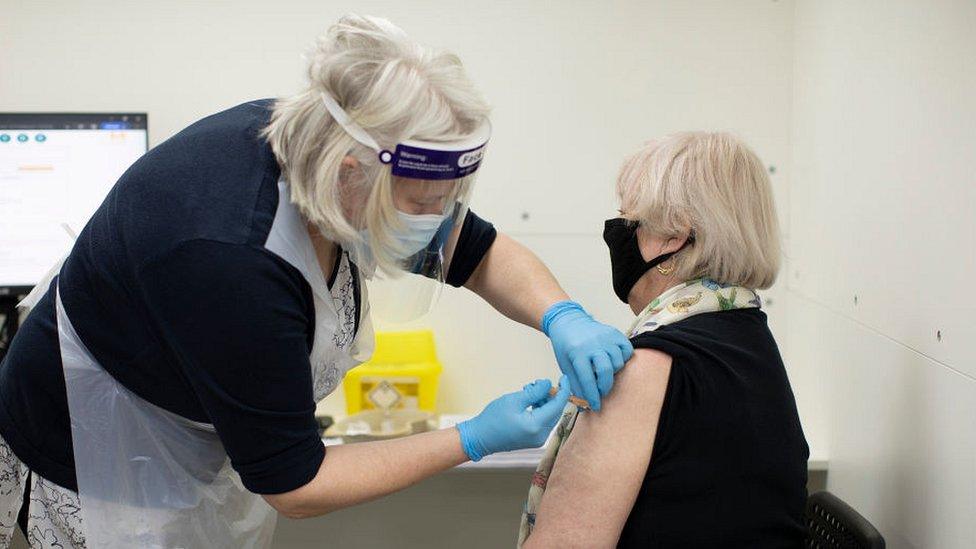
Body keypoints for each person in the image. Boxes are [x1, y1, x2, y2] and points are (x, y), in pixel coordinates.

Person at [0, 15, 632, 548]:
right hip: (96, 457)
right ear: (348, 172)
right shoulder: (231, 258)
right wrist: (473, 438)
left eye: (449, 198)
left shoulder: (328, 153)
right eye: (422, 202)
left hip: (192, 431)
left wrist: (562, 315)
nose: (437, 220)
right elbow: (294, 484)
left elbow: (477, 250)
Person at [519, 132, 810, 548]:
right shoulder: (748, 334)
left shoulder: (647, 367)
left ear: (674, 236)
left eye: (627, 218)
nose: (616, 234)